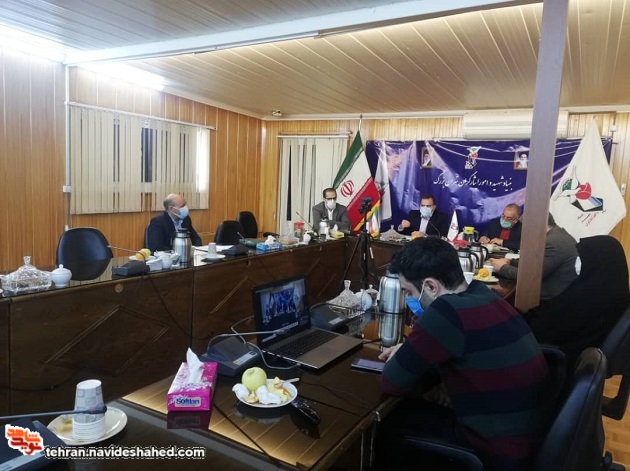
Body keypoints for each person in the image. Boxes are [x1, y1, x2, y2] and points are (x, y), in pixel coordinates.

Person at [376, 237, 549, 471]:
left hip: (497, 450)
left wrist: (405, 352)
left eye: (408, 291)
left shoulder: (445, 311)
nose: (408, 300)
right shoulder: (484, 294)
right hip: (526, 435)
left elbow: (391, 382)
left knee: (388, 420)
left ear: (431, 287)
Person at [524, 235, 629, 371]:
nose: (578, 261)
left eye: (582, 257)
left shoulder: (589, 297)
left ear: (595, 260)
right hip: (575, 358)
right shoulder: (611, 290)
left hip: (552, 363)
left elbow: (544, 330)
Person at [489, 213, 578, 301]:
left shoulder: (554, 242)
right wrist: (511, 262)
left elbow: (531, 276)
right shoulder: (556, 235)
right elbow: (534, 264)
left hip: (550, 299)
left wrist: (502, 268)